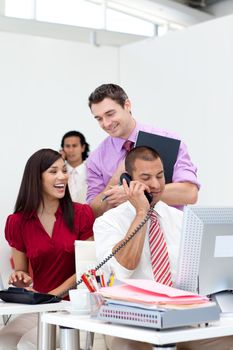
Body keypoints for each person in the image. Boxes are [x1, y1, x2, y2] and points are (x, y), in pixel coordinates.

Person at [94, 146, 233, 350]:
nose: (156, 184)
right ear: (127, 181)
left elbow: (201, 277)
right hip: (131, 323)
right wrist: (142, 212)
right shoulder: (108, 222)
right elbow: (125, 266)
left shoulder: (183, 219)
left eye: (160, 175)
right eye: (146, 177)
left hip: (181, 319)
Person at [0, 148, 94, 350]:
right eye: (53, 171)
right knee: (4, 341)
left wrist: (54, 295)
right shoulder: (17, 222)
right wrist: (20, 278)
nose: (62, 177)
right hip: (40, 306)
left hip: (74, 307)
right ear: (36, 178)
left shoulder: (82, 214)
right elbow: (21, 270)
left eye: (64, 170)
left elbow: (89, 269)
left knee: (28, 344)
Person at [86, 83, 200, 218]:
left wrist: (132, 194)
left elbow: (189, 193)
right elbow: (92, 213)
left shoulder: (167, 140)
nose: (106, 123)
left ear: (127, 105)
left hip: (167, 232)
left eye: (110, 114)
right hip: (123, 234)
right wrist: (116, 178)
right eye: (99, 119)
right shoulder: (96, 158)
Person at [60, 130, 90, 203]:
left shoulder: (92, 170)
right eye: (67, 146)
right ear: (62, 149)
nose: (71, 150)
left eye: (74, 146)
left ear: (83, 147)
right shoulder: (58, 172)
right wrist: (59, 161)